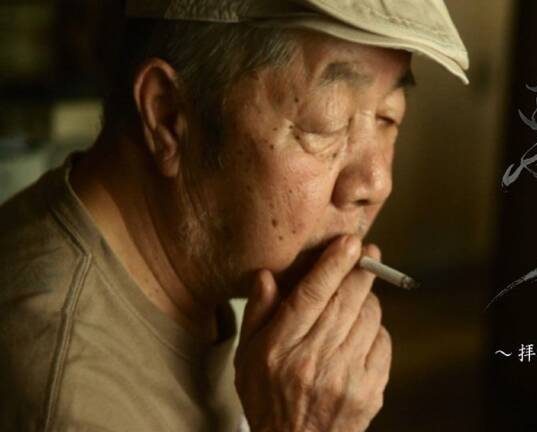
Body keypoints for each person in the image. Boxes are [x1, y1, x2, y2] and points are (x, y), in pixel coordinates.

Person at [0, 0, 468, 430]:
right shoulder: (69, 400)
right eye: (326, 122)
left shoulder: (211, 266)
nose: (376, 183)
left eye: (388, 117)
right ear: (168, 116)